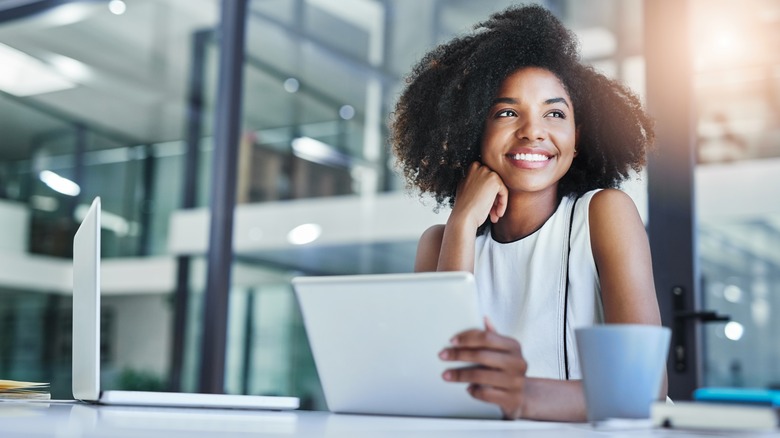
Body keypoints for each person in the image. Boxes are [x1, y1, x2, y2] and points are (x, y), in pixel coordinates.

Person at [389, 5, 664, 422]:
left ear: (577, 136)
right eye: (507, 112)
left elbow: (645, 388)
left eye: (555, 113)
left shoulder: (603, 214)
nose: (533, 131)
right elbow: (439, 385)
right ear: (471, 129)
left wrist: (523, 396)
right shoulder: (439, 243)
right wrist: (462, 224)